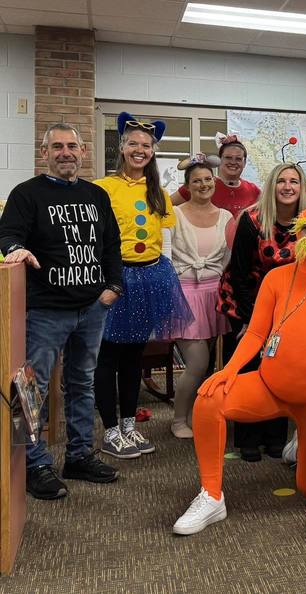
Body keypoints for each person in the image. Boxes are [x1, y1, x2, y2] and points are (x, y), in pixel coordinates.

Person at [173, 207, 306, 535]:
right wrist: (229, 370)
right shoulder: (276, 278)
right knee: (209, 398)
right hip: (270, 385)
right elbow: (258, 333)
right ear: (297, 235)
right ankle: (211, 494)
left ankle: (304, 443)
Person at [0, 122, 121, 499]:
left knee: (82, 383)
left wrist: (113, 287)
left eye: (72, 146)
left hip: (92, 308)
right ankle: (32, 465)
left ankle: (80, 455)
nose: (65, 152)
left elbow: (111, 246)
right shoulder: (26, 194)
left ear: (84, 151)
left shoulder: (96, 196)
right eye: (57, 147)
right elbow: (8, 235)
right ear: (45, 152)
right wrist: (14, 250)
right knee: (29, 389)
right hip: (45, 311)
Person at [93, 112, 192, 459]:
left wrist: (166, 273)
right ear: (121, 147)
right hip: (115, 279)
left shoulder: (158, 192)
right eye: (133, 143)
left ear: (153, 151)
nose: (140, 149)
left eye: (146, 145)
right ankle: (109, 430)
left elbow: (164, 237)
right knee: (107, 355)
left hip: (149, 277)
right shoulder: (102, 188)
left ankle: (128, 424)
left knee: (134, 354)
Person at [218, 162, 306, 461]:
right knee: (248, 370)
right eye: (281, 181)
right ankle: (247, 436)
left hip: (287, 311)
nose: (287, 187)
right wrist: (252, 320)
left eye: (294, 182)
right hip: (246, 303)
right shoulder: (252, 220)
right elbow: (240, 274)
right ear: (272, 185)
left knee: (280, 371)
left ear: (301, 188)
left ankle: (274, 436)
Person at [169, 154, 233, 439]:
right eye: (197, 180)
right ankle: (178, 419)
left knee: (208, 364)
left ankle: (199, 414)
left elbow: (230, 259)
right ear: (187, 186)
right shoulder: (176, 215)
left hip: (215, 295)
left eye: (208, 179)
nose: (204, 184)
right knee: (197, 363)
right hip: (184, 293)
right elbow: (164, 255)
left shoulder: (226, 217)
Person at [171, 133, 261, 218]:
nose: (233, 162)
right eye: (228, 158)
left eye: (238, 159)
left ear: (244, 163)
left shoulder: (254, 191)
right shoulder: (203, 186)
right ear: (220, 159)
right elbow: (166, 205)